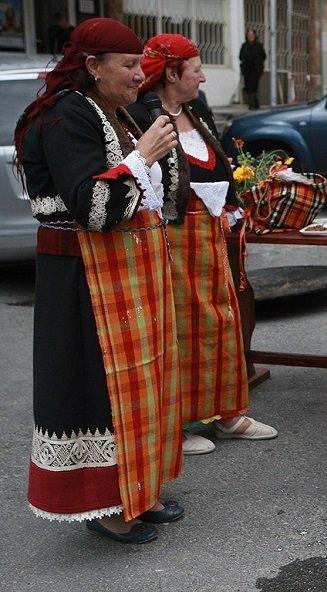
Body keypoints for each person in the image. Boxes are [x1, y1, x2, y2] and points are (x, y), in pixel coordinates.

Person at [15, 18, 184, 544]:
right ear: (92, 67)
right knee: (98, 388)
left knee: (138, 381)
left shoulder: (111, 111)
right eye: (129, 66)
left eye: (141, 65)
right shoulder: (67, 116)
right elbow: (92, 207)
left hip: (121, 273)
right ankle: (107, 507)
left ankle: (138, 490)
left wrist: (148, 158)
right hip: (82, 277)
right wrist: (143, 160)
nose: (141, 76)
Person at [130, 33, 278, 455]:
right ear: (172, 73)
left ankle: (226, 413)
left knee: (220, 319)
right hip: (172, 235)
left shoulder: (196, 110)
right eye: (196, 70)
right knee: (180, 325)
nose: (203, 78)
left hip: (210, 233)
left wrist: (230, 201)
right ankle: (175, 423)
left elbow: (218, 162)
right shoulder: (142, 115)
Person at [239, 29, 266, 109]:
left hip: (256, 70)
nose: (250, 36)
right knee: (248, 87)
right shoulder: (244, 46)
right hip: (247, 70)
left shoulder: (258, 46)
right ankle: (254, 102)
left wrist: (258, 64)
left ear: (255, 36)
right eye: (249, 35)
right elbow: (240, 57)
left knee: (253, 86)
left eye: (252, 35)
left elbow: (263, 56)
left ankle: (252, 103)